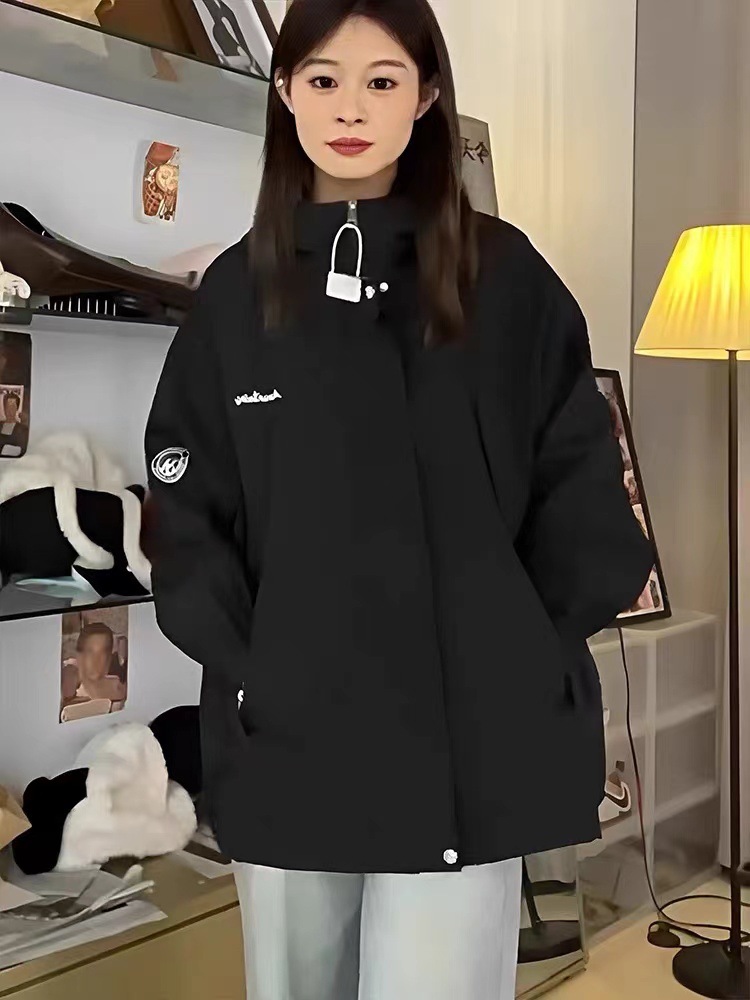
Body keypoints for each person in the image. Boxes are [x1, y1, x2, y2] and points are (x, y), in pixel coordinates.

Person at [145, 2, 654, 998]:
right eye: (324, 79)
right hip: (289, 737)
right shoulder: (235, 298)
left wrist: (517, 646)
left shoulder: (508, 281)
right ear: (285, 91)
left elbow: (587, 488)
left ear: (425, 97)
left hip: (465, 744)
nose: (351, 107)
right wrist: (254, 662)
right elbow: (184, 503)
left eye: (382, 80)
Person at [74, 622, 127, 705]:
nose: (97, 659)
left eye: (103, 652)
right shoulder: (73, 698)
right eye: (91, 652)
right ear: (80, 656)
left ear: (109, 657)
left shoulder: (120, 688)